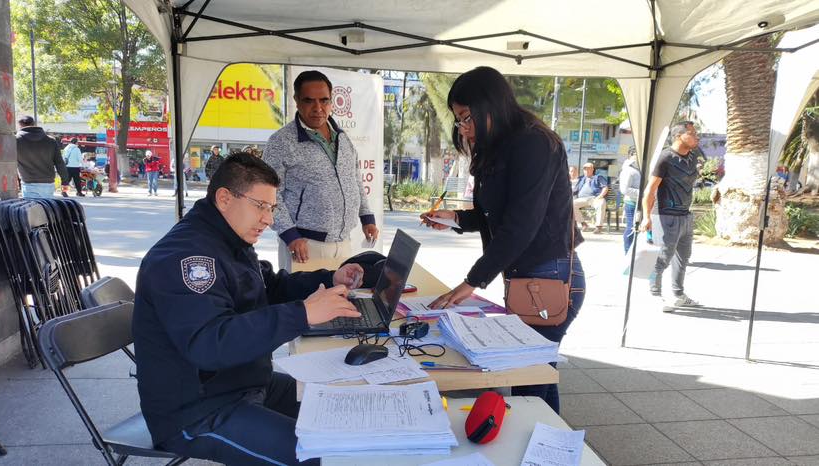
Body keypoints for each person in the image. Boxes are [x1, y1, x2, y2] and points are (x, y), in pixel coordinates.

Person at [133, 152, 364, 465]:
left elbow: (270, 287)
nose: (269, 219)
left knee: (350, 412)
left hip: (247, 382)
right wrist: (302, 314)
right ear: (225, 198)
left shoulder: (228, 240)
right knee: (323, 458)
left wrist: (329, 278)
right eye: (261, 206)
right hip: (198, 410)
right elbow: (211, 343)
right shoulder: (185, 258)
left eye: (272, 208)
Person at [420, 66, 585, 414]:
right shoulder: (499, 146)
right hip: (527, 277)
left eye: (467, 118)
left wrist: (471, 282)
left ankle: (547, 448)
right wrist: (453, 220)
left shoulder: (534, 143)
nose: (463, 128)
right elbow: (494, 216)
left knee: (533, 379)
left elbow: (521, 225)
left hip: (550, 278)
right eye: (458, 120)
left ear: (489, 105)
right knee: (528, 376)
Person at [263, 70, 378, 271]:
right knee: (304, 301)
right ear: (297, 101)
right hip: (304, 245)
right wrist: (290, 235)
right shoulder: (281, 142)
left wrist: (366, 218)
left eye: (324, 100)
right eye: (309, 101)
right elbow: (270, 195)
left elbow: (355, 180)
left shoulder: (342, 138)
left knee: (338, 299)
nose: (318, 108)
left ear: (331, 101)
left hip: (343, 243)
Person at [641, 121, 702, 309]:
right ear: (678, 136)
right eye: (691, 133)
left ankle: (678, 294)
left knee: (683, 257)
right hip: (665, 216)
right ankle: (654, 294)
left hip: (685, 216)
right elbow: (650, 191)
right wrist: (646, 217)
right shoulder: (665, 158)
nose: (696, 136)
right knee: (663, 257)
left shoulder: (693, 156)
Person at [15, 115, 68, 198]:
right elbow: (59, 163)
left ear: (20, 126)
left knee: (31, 210)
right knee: (47, 209)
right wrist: (65, 181)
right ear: (34, 124)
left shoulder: (16, 140)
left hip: (28, 183)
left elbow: (8, 162)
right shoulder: (51, 140)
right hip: (48, 183)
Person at [572, 162, 609, 233]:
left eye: (588, 169)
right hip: (582, 199)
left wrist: (600, 196)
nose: (586, 170)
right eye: (585, 169)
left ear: (592, 169)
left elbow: (605, 187)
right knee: (571, 205)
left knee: (601, 203)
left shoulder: (598, 177)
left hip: (594, 198)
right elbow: (572, 179)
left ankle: (599, 227)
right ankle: (584, 224)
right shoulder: (582, 178)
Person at [619, 149, 641, 253]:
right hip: (632, 203)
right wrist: (642, 192)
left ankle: (633, 252)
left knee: (636, 228)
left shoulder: (637, 168)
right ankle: (627, 252)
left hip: (639, 202)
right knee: (631, 227)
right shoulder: (628, 170)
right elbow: (624, 189)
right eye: (637, 154)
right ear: (631, 155)